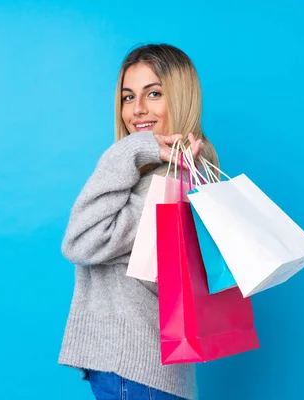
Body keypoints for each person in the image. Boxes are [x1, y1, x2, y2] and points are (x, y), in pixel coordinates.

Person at [58, 43, 219, 400]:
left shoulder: (163, 183)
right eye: (128, 97)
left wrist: (129, 149)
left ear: (182, 97)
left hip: (135, 367)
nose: (138, 110)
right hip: (155, 371)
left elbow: (81, 242)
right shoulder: (190, 176)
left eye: (154, 93)